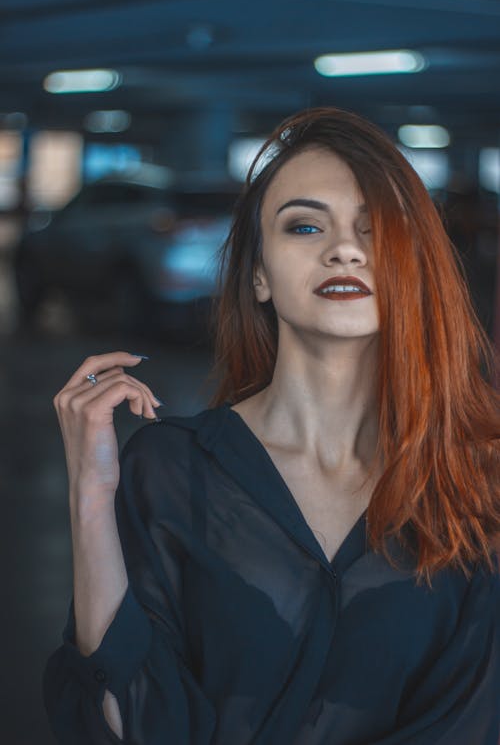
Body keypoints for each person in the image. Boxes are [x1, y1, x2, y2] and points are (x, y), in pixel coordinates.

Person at [43, 107, 500, 744]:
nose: (344, 249)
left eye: (375, 230)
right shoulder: (171, 470)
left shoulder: (473, 477)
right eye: (306, 225)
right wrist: (90, 502)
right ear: (258, 273)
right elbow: (129, 724)